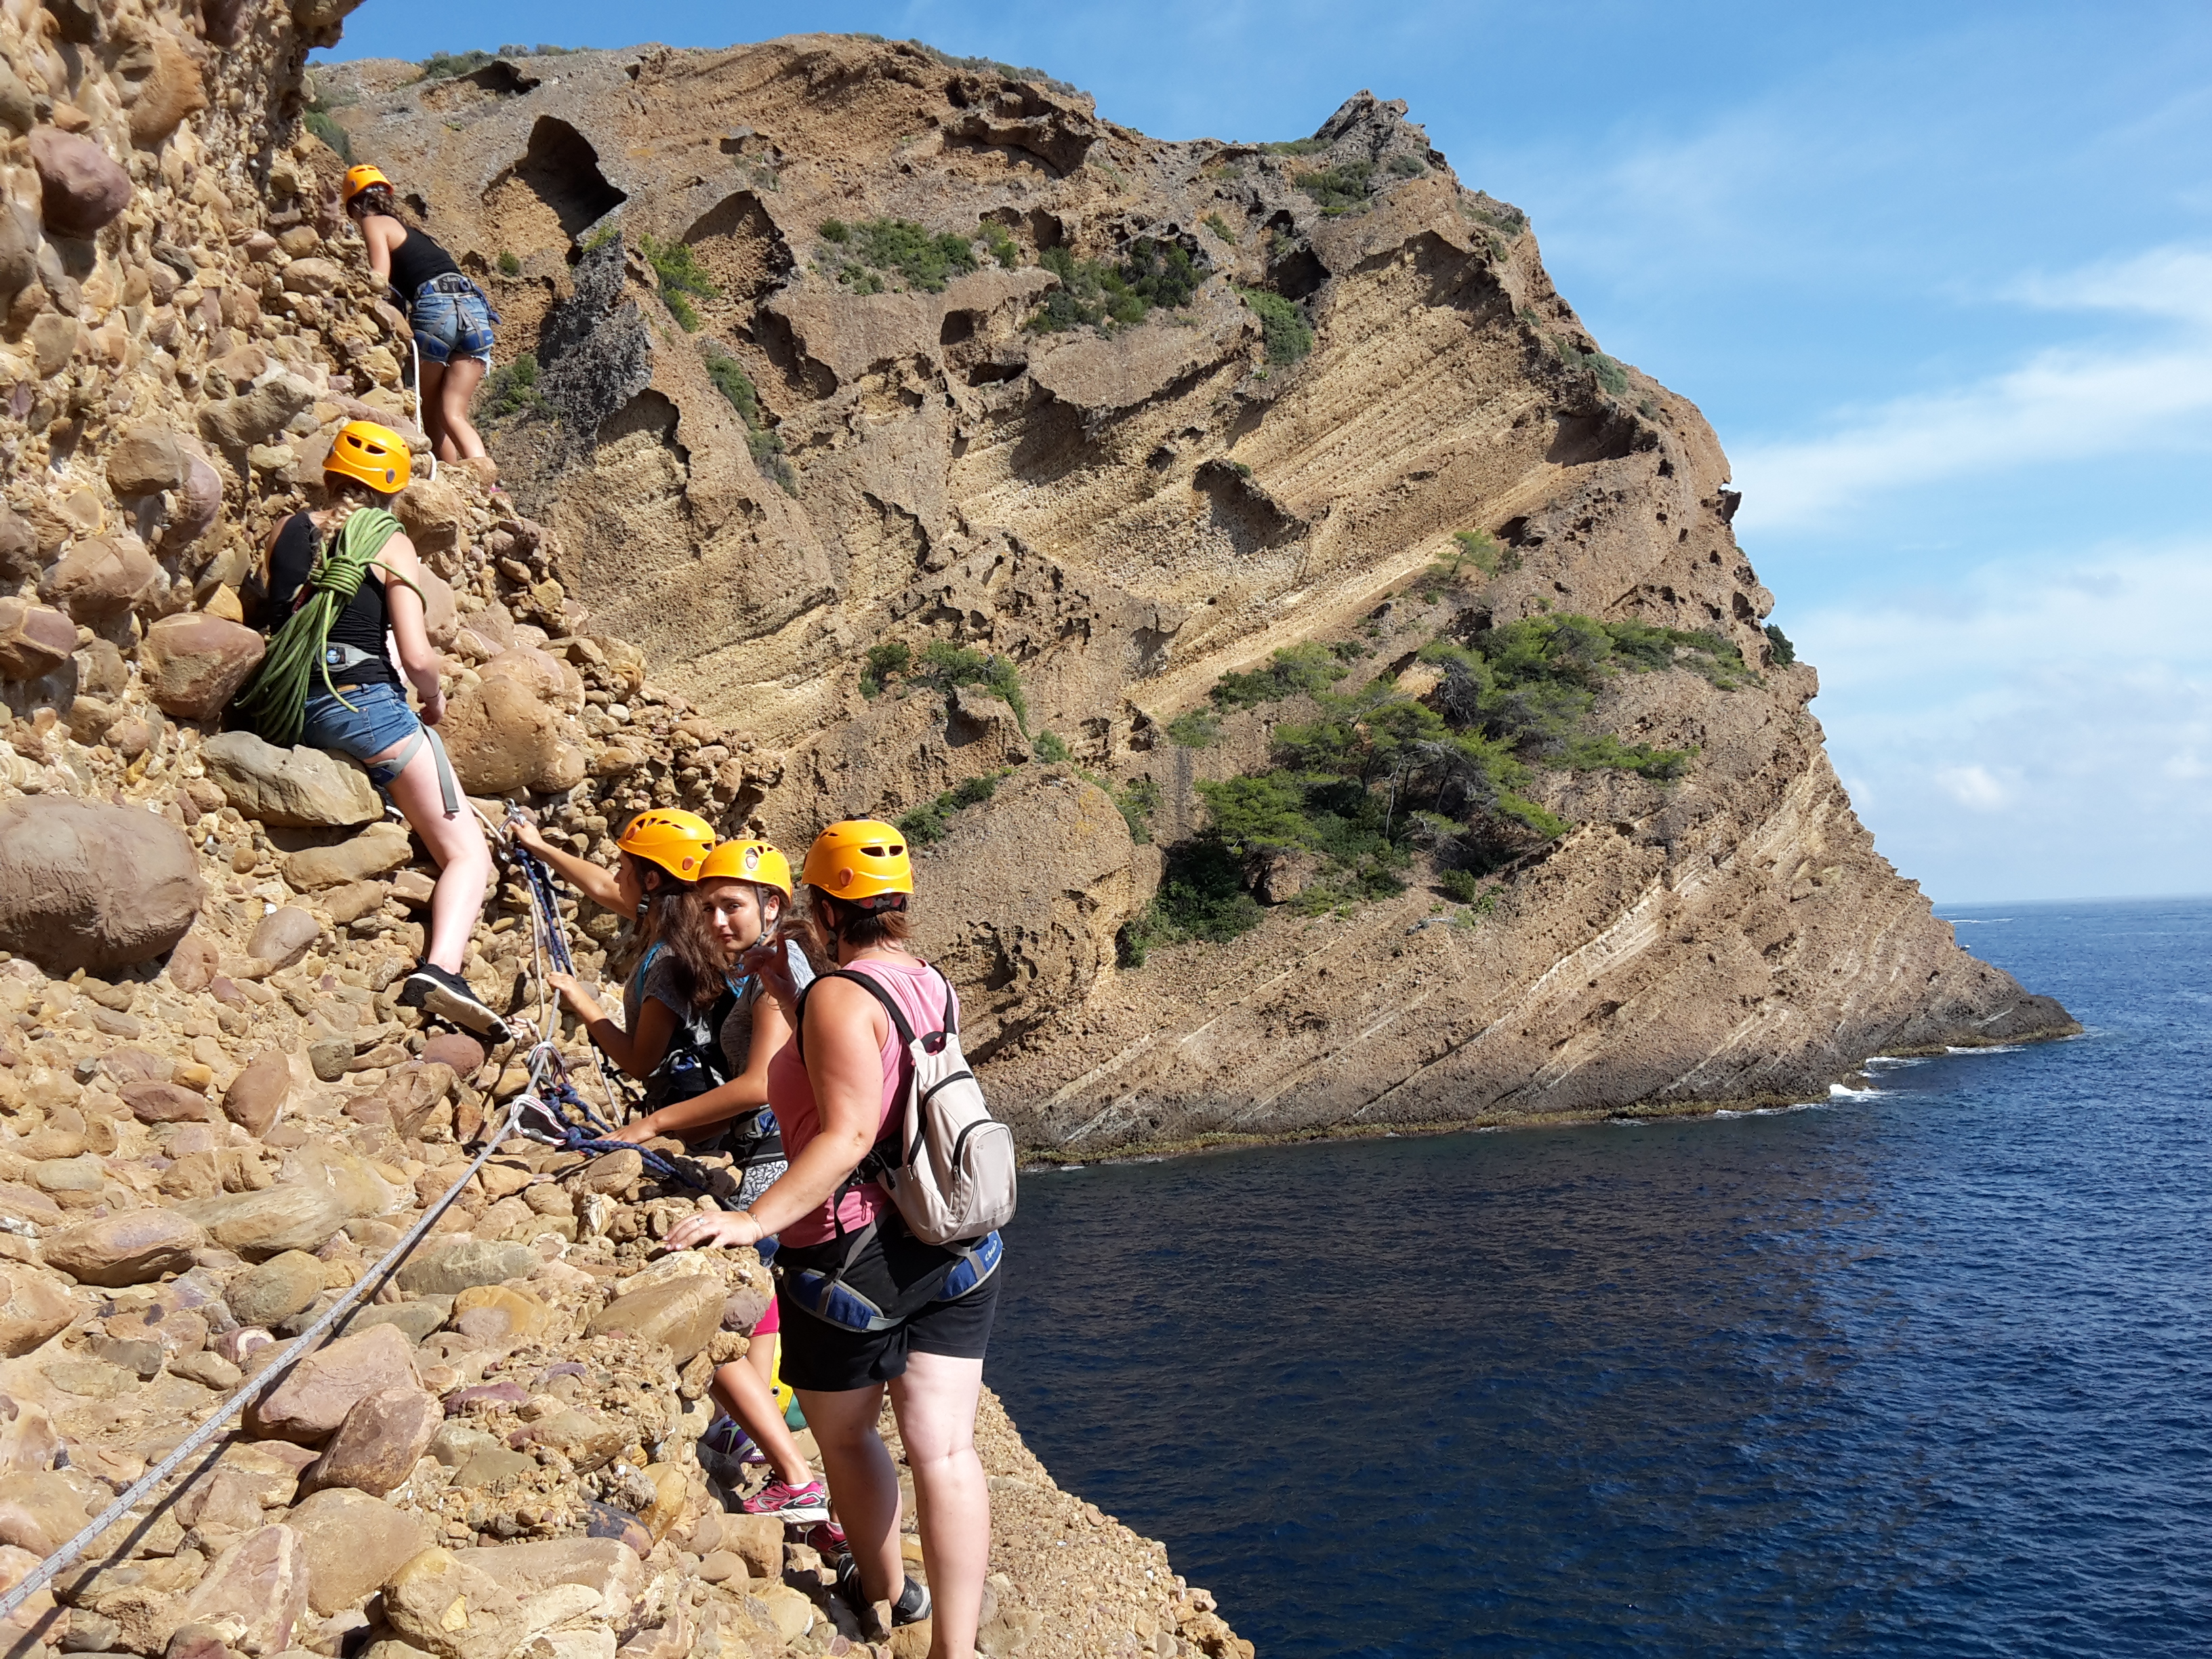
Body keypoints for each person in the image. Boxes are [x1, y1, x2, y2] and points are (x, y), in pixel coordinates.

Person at [668, 821, 1003, 1656]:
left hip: (845, 1255)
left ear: (819, 904)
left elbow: (848, 1131)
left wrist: (749, 1219)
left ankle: (883, 1590)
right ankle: (953, 1650)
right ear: (898, 904)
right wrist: (793, 986)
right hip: (956, 1242)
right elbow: (884, 1074)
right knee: (947, 1448)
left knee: (848, 1434)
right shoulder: (928, 981)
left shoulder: (839, 997)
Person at [233, 420, 503, 1037]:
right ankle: (443, 969)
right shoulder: (391, 542)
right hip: (361, 704)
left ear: (330, 474)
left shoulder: (283, 531)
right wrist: (430, 700)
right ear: (393, 490)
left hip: (287, 703)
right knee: (469, 852)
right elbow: (415, 656)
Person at [508, 809, 715, 1082]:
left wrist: (581, 1000)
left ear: (651, 881)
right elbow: (602, 886)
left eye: (622, 868)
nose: (616, 878)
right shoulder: (695, 926)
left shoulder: (671, 959)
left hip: (689, 1114)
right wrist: (540, 848)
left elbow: (639, 1063)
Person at [341, 163, 495, 465]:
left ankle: (452, 481)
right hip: (475, 311)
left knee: (431, 412)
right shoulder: (417, 234)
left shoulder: (375, 223)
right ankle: (485, 484)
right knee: (454, 413)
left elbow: (379, 278)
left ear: (356, 206)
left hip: (437, 311)